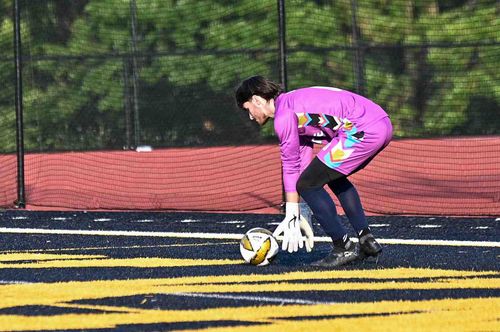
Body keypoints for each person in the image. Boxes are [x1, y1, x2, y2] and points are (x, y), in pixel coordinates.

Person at [235, 75, 393, 267]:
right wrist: (302, 209)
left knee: (308, 184)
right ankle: (365, 239)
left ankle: (343, 246)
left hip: (363, 129)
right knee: (333, 177)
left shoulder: (284, 115)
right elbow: (301, 158)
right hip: (380, 123)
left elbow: (291, 165)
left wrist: (292, 213)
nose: (250, 116)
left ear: (257, 100)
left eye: (248, 110)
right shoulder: (291, 103)